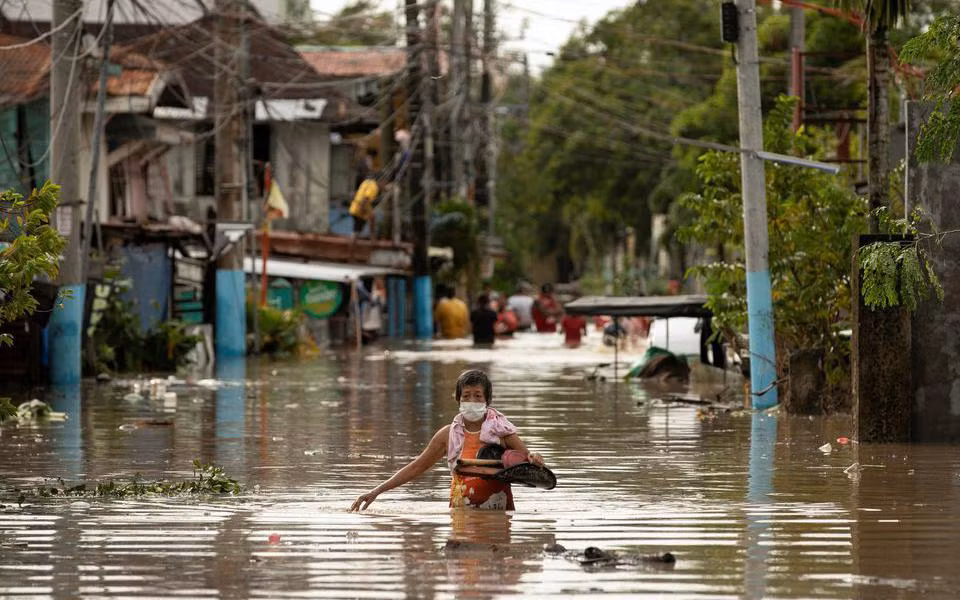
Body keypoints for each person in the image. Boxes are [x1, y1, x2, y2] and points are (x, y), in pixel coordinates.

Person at [350, 369, 545, 511]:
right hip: (461, 512)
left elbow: (528, 462)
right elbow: (417, 467)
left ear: (487, 400)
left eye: (478, 396)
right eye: (466, 396)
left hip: (498, 512)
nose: (472, 401)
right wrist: (377, 491)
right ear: (459, 400)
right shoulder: (448, 435)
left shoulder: (502, 432)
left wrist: (535, 458)